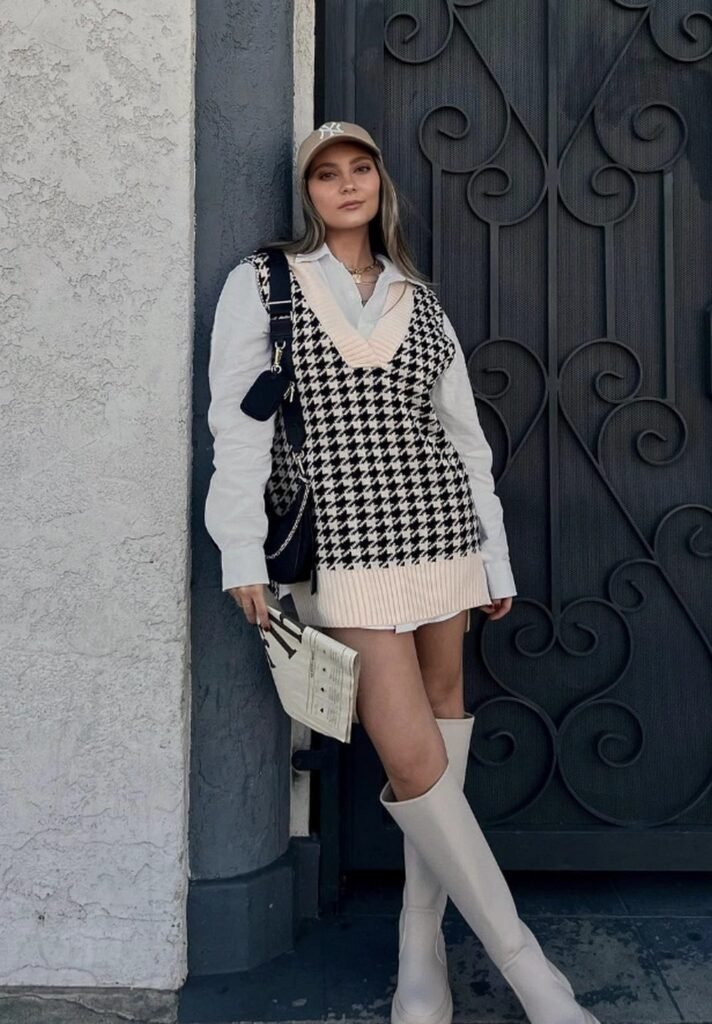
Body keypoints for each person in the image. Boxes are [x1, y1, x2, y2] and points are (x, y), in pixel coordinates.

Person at [204, 121, 600, 1024]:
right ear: (304, 193)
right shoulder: (263, 284)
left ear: (382, 183)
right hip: (343, 547)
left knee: (444, 738)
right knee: (412, 756)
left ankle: (421, 955)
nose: (347, 186)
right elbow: (239, 430)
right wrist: (238, 552)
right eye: (326, 175)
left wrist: (492, 555)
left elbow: (464, 440)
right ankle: (533, 971)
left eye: (361, 170)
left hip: (441, 534)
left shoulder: (420, 298)